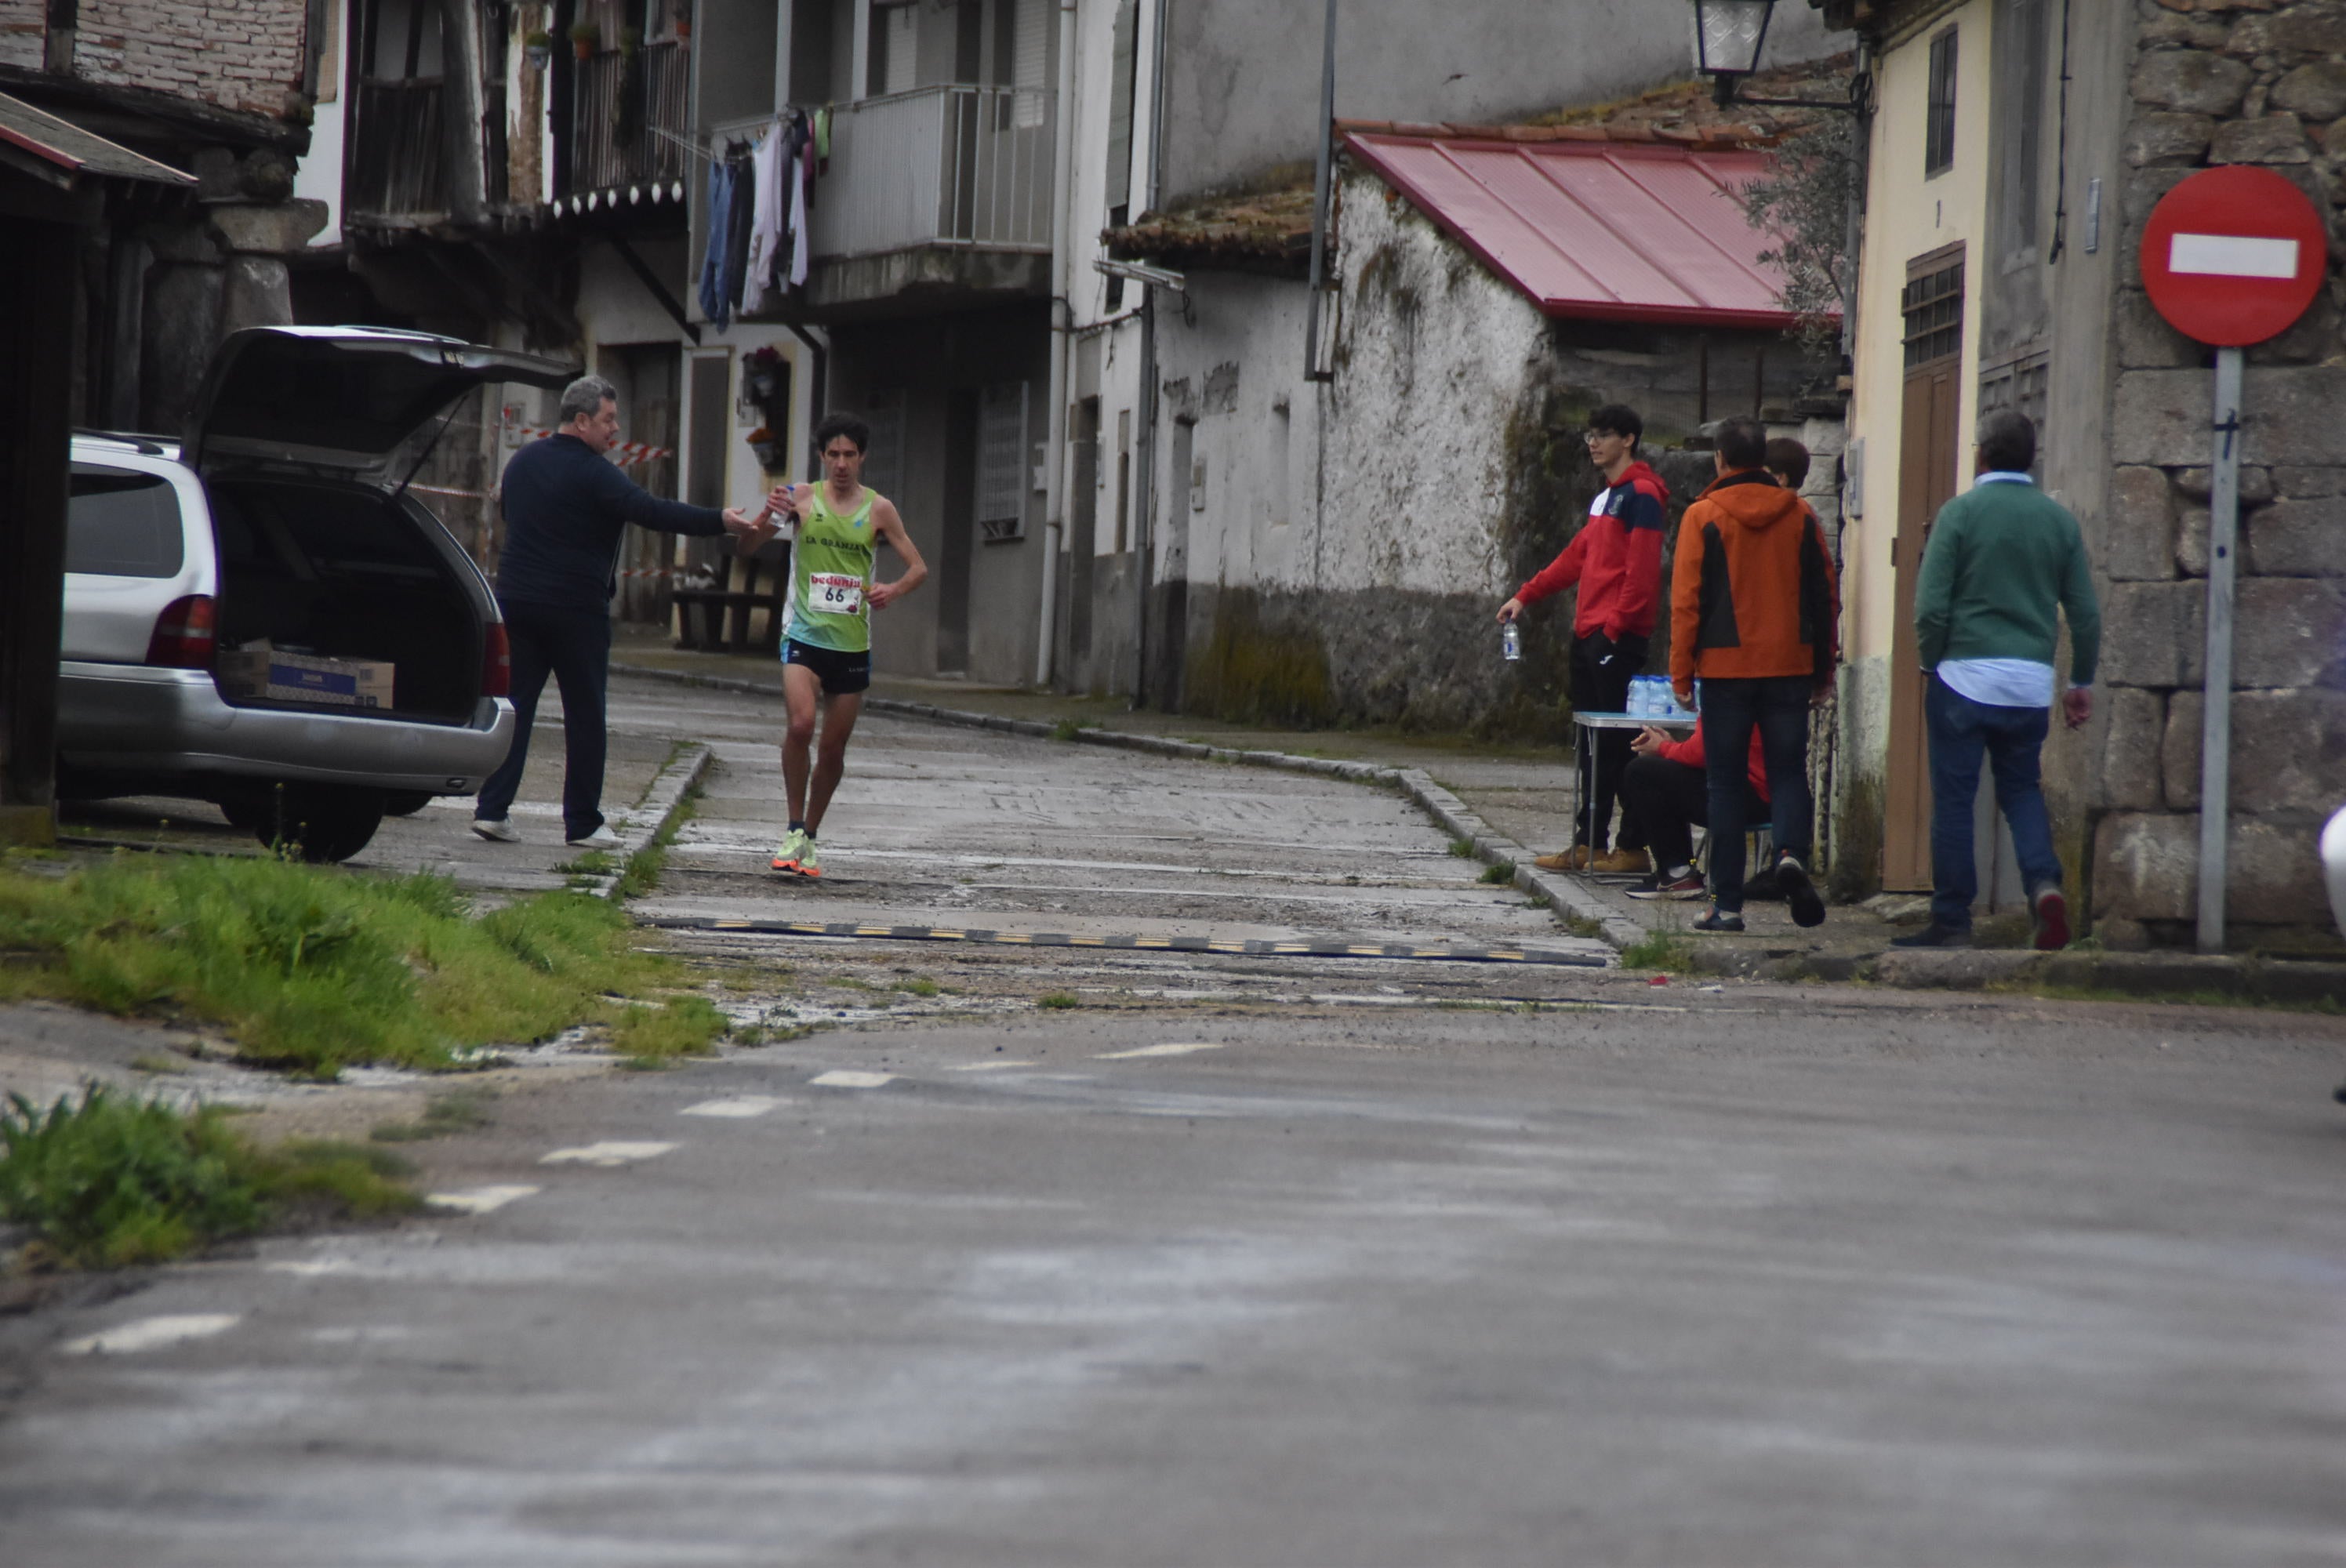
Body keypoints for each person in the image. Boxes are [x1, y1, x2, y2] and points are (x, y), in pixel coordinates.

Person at [474, 376, 764, 847]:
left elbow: (511, 514)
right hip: (576, 610)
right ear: (582, 420)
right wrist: (720, 521)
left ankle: (491, 809)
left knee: (519, 706)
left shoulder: (522, 462)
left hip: (518, 602)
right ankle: (583, 823)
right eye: (609, 419)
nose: (616, 429)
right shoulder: (595, 472)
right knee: (585, 714)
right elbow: (652, 511)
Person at [1893, 409, 2099, 949]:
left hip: (1962, 677)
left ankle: (1952, 919)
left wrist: (1930, 660)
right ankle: (2044, 884)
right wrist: (2080, 683)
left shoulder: (1959, 514)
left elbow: (1930, 607)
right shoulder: (2059, 522)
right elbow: (2085, 614)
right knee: (2022, 790)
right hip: (2029, 682)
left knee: (1955, 801)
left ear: (1981, 454)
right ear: (2031, 458)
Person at [1669, 416, 1839, 933]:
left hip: (1725, 669)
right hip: (1788, 665)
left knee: (1724, 784)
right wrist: (1823, 670)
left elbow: (1686, 602)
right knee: (1788, 771)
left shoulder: (1703, 516)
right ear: (1763, 460)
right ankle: (1789, 854)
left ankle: (1726, 906)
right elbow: (1824, 596)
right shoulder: (1801, 515)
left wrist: (1680, 673)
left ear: (1720, 459)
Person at [1496, 403, 1669, 875]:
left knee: (1622, 745)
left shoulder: (1642, 495)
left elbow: (1641, 575)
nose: (1593, 442)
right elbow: (1576, 558)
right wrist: (1525, 596)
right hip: (1591, 635)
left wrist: (1614, 631)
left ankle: (1633, 847)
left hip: (1615, 638)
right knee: (1592, 745)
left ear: (1629, 439)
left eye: (1604, 434)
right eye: (1589, 434)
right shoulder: (1605, 498)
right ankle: (1588, 843)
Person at [754, 412, 927, 880]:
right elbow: (752, 541)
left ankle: (809, 837)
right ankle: (792, 826)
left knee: (832, 748)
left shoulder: (879, 509)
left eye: (850, 455)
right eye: (834, 454)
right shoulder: (801, 498)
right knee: (801, 724)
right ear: (822, 457)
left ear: (863, 457)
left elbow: (918, 568)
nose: (842, 464)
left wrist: (892, 590)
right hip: (803, 634)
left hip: (850, 645)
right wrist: (769, 511)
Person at [1618, 722, 1770, 902]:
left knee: (1642, 772)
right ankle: (1679, 870)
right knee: (1663, 769)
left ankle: (1677, 872)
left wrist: (1663, 747)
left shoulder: (1722, 694)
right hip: (1771, 797)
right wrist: (1673, 747)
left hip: (1745, 797)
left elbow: (1701, 753)